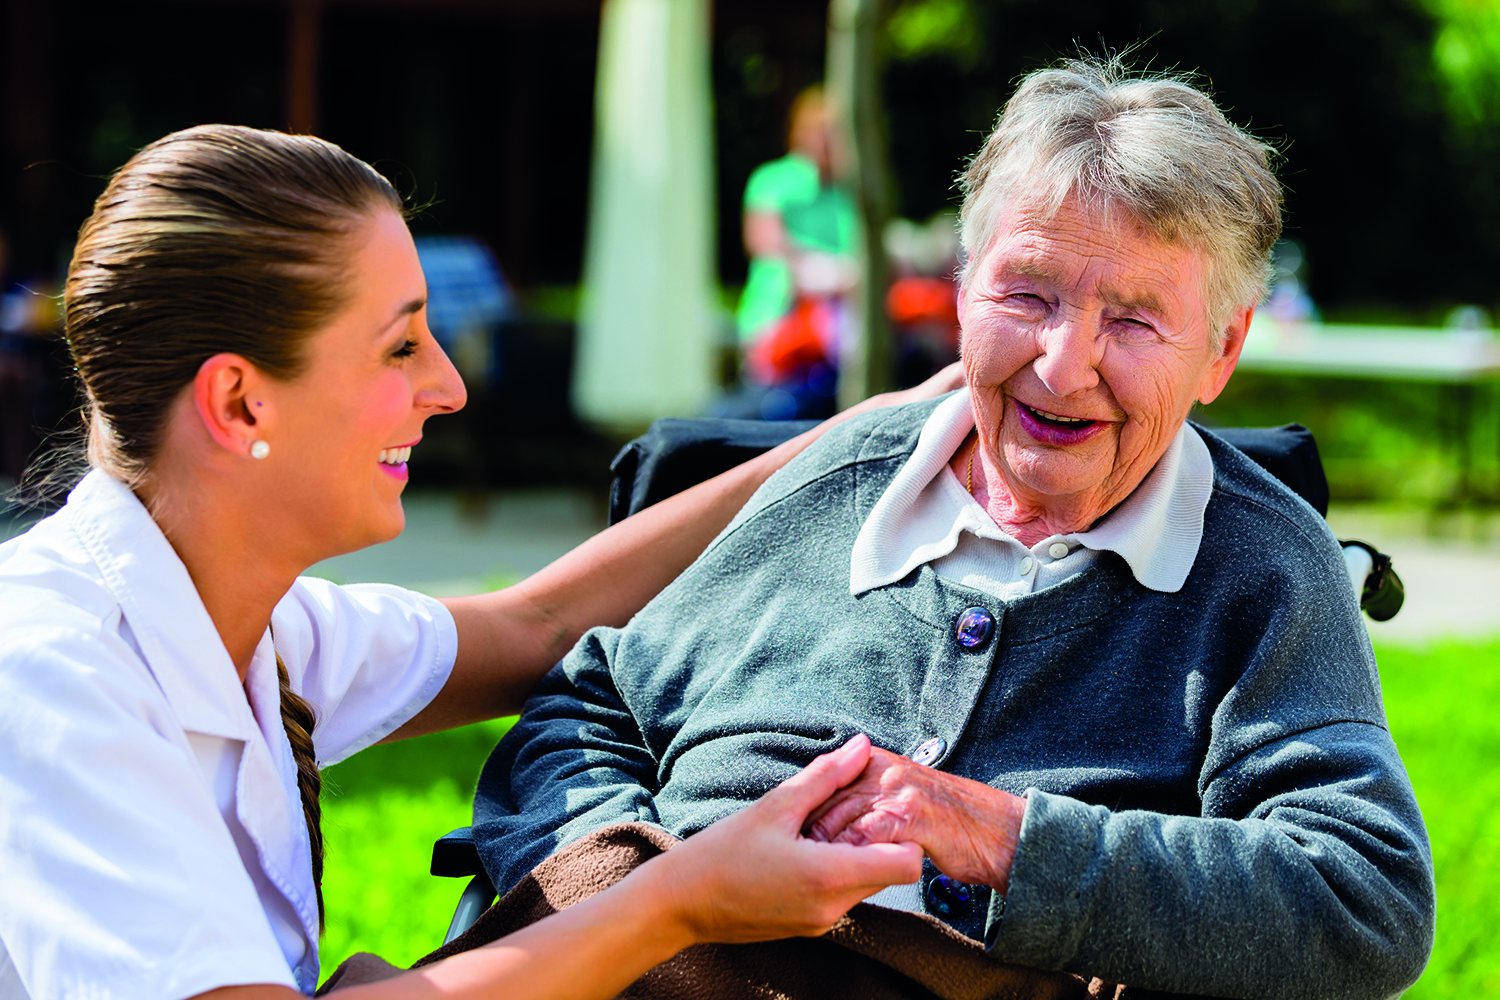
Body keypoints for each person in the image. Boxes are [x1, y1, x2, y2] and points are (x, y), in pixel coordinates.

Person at [472, 58, 1435, 999]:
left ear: (1221, 350)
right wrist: (615, 896)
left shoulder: (1261, 569)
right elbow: (589, 705)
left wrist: (1003, 841)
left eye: (1136, 320)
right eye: (1028, 294)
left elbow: (1366, 899)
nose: (1064, 367)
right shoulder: (839, 481)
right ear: (964, 289)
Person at [0, 124, 958, 1000]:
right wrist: (684, 898)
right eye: (400, 347)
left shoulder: (247, 621)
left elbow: (532, 626)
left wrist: (863, 437)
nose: (448, 388)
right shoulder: (53, 671)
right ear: (242, 405)